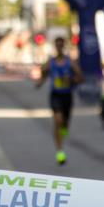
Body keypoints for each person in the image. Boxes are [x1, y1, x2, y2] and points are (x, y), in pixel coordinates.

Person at [35, 36, 84, 165]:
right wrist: (40, 81)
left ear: (64, 46)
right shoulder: (51, 62)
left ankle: (63, 130)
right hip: (55, 95)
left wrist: (74, 79)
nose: (59, 47)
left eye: (61, 44)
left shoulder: (70, 62)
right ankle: (60, 152)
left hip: (67, 95)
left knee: (65, 124)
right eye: (57, 45)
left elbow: (80, 77)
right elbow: (43, 74)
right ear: (55, 47)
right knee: (58, 121)